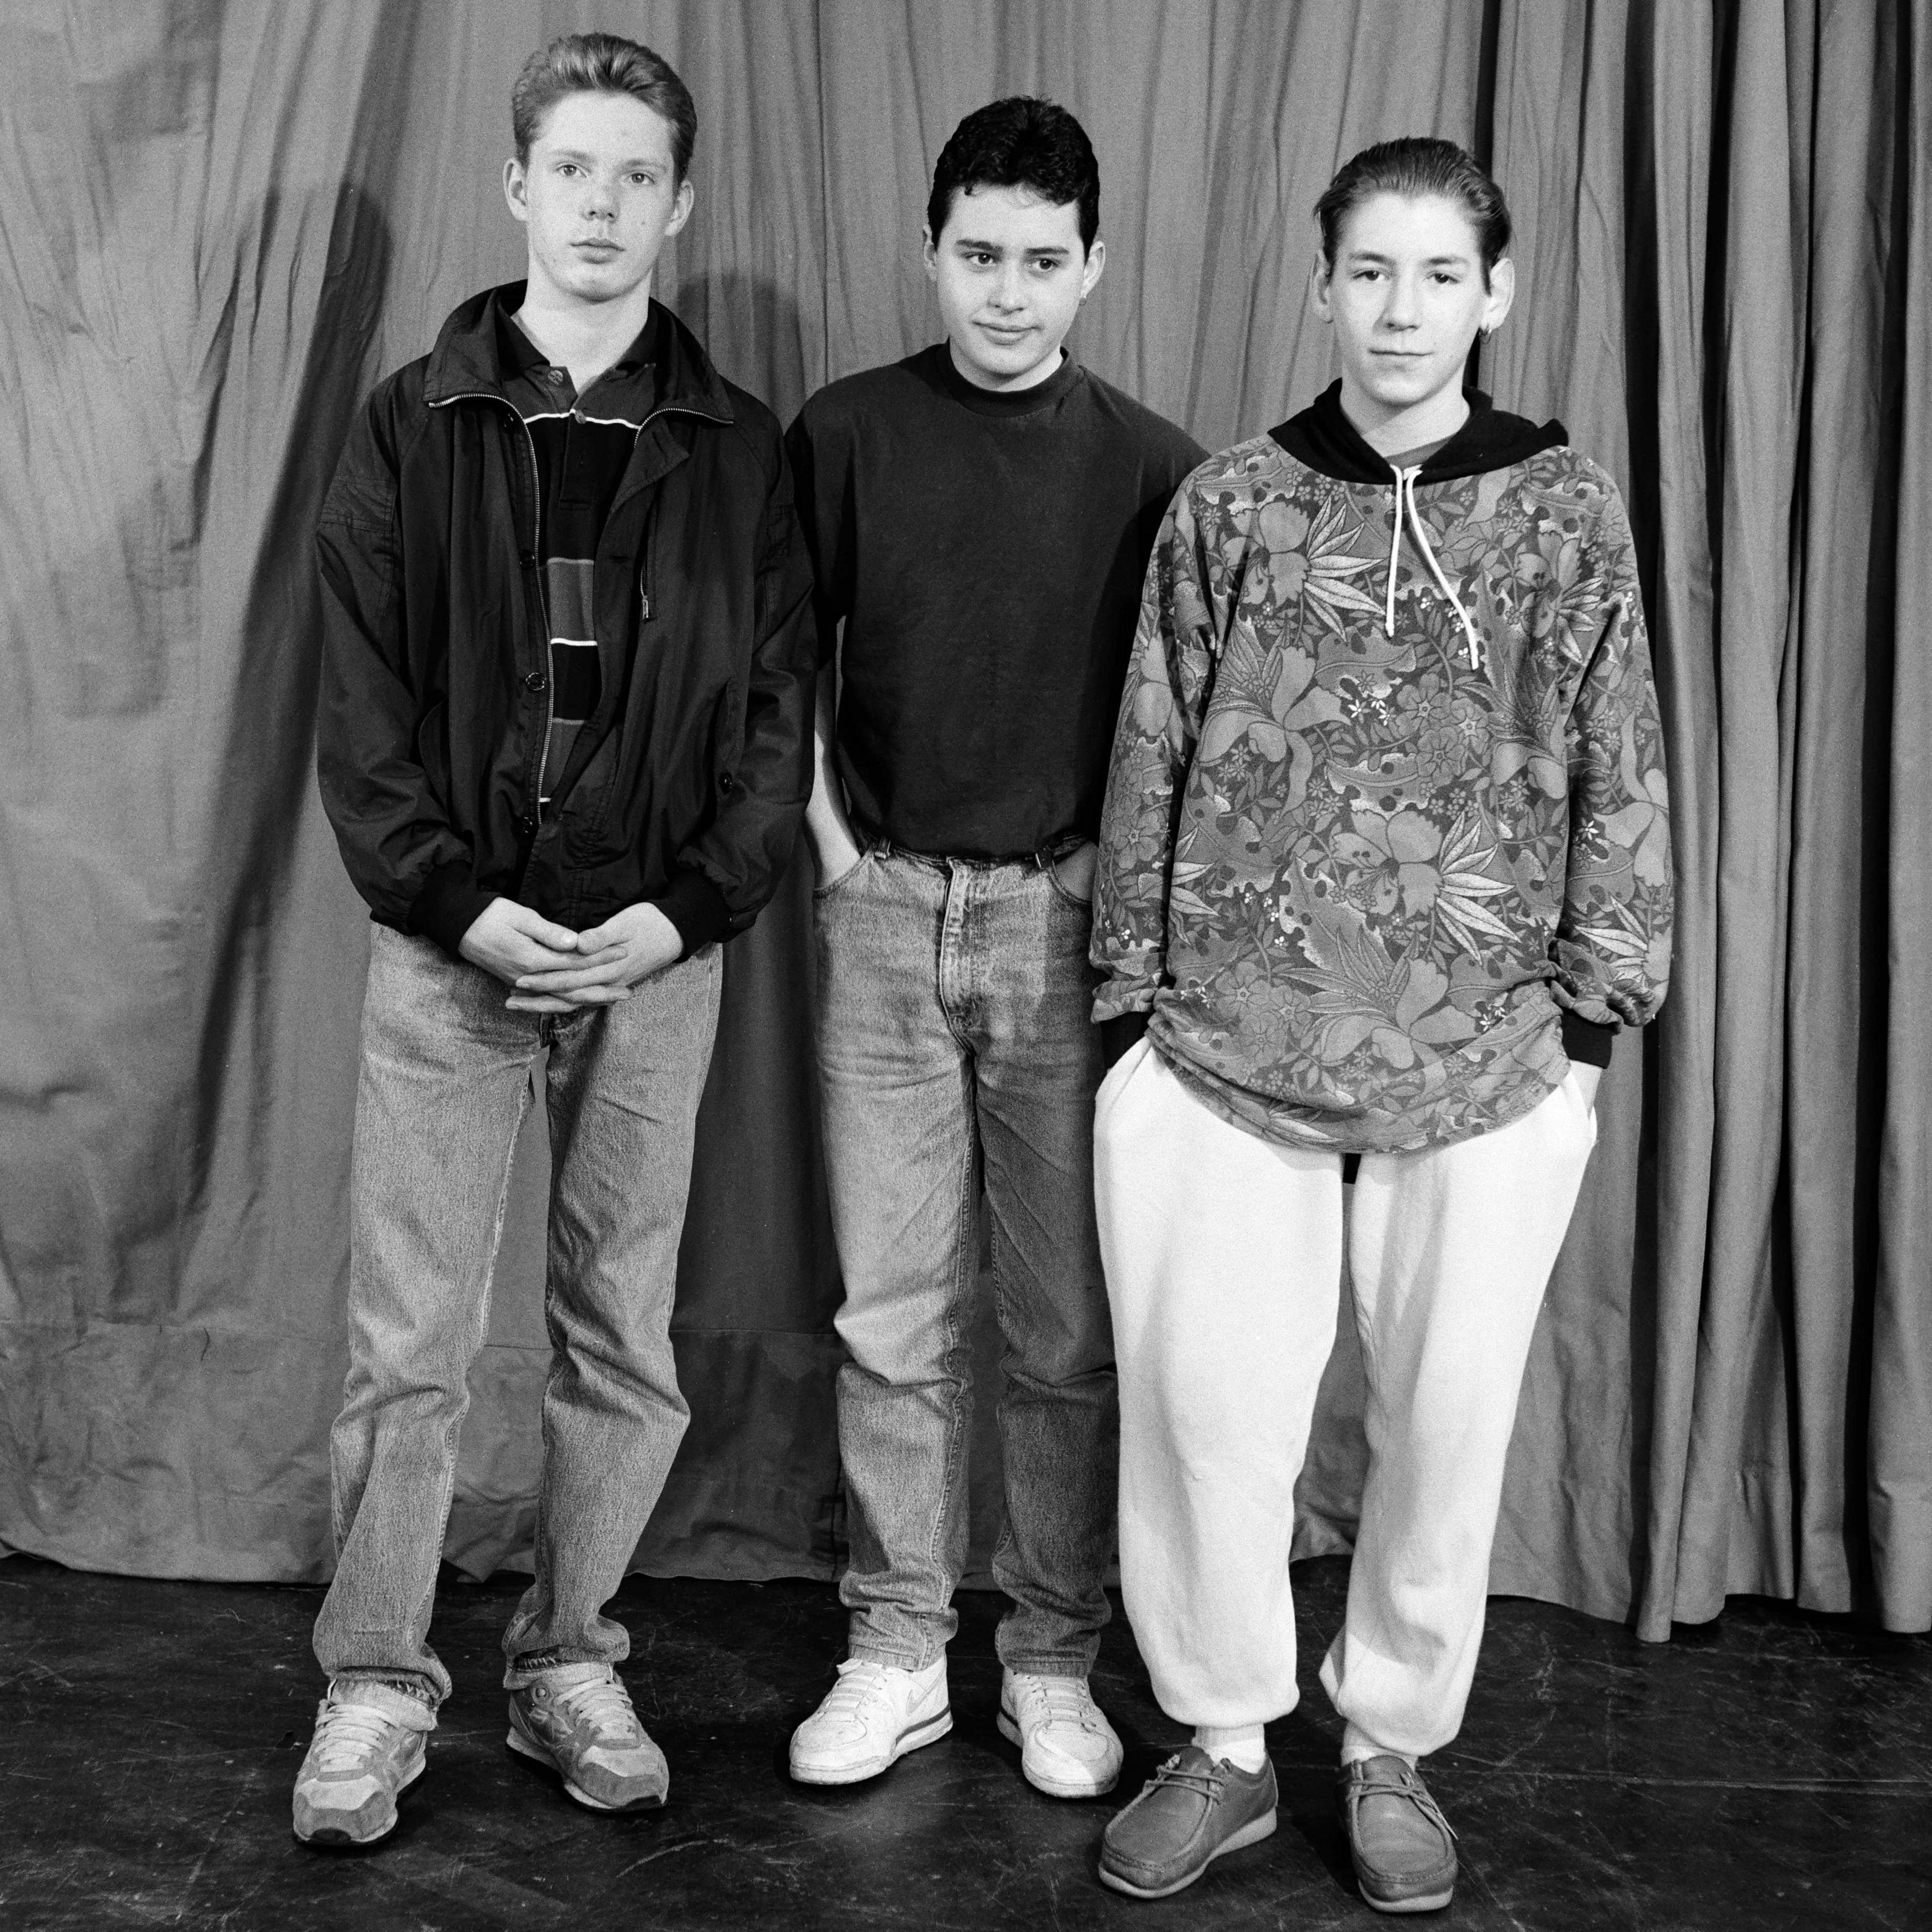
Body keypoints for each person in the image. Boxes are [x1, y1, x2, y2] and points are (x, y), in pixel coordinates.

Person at [1089, 137, 1672, 1908]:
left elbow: (1619, 760)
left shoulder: (1564, 511)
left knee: (1448, 1419)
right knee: (1207, 1414)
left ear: (1493, 295)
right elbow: (1154, 745)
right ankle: (1222, 1743)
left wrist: (1591, 1023)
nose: (1404, 309)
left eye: (1440, 276)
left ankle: (1395, 1740)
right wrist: (1132, 1000)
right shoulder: (1234, 505)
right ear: (1323, 284)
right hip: (1222, 1044)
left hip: (1490, 1058)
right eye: (1372, 273)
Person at [296, 33, 815, 1847]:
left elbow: (771, 727)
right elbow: (359, 709)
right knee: (411, 1341)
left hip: (650, 959)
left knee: (621, 1335)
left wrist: (675, 914)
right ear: (520, 188)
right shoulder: (409, 419)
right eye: (569, 170)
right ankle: (375, 1680)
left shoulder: (740, 450)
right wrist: (454, 897)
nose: (601, 205)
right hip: (454, 947)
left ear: (681, 206)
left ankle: (569, 1654)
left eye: (636, 177)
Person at [782, 97, 1204, 1798]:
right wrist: (830, 855)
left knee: (1058, 1329)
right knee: (889, 1316)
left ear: (1094, 266)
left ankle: (1048, 1658)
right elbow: (773, 661)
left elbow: (1186, 724)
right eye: (978, 257)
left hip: (1062, 927)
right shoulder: (848, 431)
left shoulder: (1153, 468)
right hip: (881, 905)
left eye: (1043, 263)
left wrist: (1107, 886)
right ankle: (895, 1649)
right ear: (931, 251)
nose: (1008, 294)